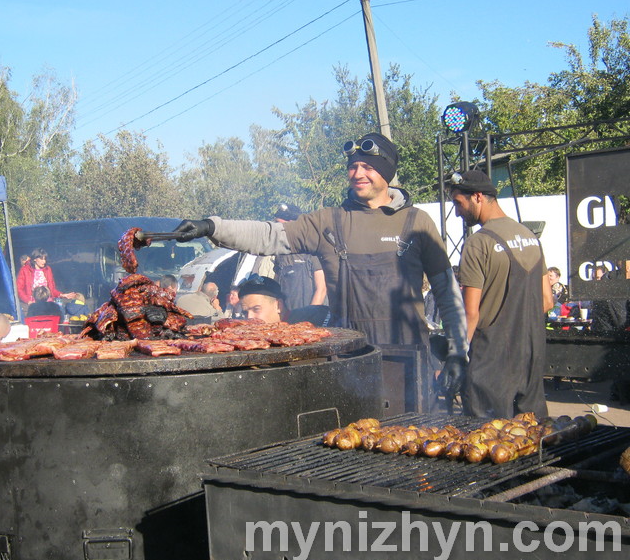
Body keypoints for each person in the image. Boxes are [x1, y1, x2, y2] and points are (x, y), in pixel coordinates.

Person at [173, 132, 468, 392]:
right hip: (350, 360)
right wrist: (213, 227)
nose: (358, 173)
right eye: (353, 166)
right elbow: (268, 235)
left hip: (408, 360)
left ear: (387, 172)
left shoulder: (417, 222)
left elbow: (447, 293)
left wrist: (457, 352)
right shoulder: (329, 222)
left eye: (368, 166)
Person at [449, 170, 554, 419]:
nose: (456, 212)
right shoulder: (530, 237)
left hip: (491, 362)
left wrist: (455, 356)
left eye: (458, 203)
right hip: (530, 356)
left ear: (477, 197)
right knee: (529, 437)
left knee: (487, 442)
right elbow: (547, 301)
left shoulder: (478, 242)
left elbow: (471, 314)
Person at [272, 203, 327, 310]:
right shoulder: (280, 252)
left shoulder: (312, 250)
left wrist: (309, 316)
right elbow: (277, 285)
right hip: (287, 316)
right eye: (276, 224)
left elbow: (322, 289)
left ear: (293, 225)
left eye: (281, 224)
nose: (277, 228)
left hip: (309, 316)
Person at [237, 275, 330, 326]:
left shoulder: (313, 318)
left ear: (278, 306)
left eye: (256, 309)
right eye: (245, 313)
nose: (249, 317)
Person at [16, 248, 76, 316]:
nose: (44, 261)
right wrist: (28, 301)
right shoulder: (25, 270)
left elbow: (52, 290)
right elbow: (19, 289)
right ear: (35, 259)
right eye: (41, 259)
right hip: (32, 305)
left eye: (45, 259)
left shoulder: (48, 269)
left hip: (48, 304)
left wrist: (62, 295)